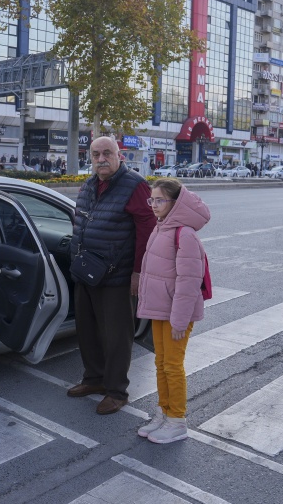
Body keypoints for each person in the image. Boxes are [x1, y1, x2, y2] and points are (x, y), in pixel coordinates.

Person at [67, 136, 155, 414]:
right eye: (95, 154)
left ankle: (117, 391)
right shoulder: (91, 184)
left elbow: (147, 232)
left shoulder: (135, 186)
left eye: (107, 153)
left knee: (116, 336)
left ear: (120, 156)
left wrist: (139, 272)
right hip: (87, 272)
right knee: (88, 331)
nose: (101, 159)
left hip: (117, 275)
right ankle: (94, 379)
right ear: (90, 158)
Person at [136, 177, 210, 443]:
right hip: (160, 309)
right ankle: (164, 411)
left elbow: (189, 282)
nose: (154, 205)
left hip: (177, 314)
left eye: (159, 200)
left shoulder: (185, 234)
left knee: (173, 365)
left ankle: (177, 420)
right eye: (151, 199)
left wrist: (179, 320)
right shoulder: (161, 228)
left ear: (175, 203)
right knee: (160, 363)